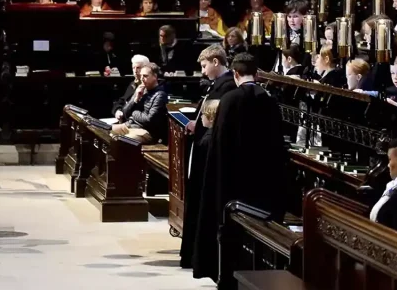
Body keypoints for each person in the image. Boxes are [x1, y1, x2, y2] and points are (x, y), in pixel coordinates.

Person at [193, 52, 286, 283]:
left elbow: (220, 143)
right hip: (262, 181)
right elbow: (277, 144)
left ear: (235, 73)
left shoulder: (230, 99)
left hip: (232, 178)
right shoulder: (269, 100)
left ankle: (226, 276)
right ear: (257, 74)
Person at [179, 47, 234, 269]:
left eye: (204, 66)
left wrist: (198, 125)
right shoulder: (217, 85)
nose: (203, 72)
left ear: (215, 61)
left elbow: (214, 119)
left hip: (210, 149)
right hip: (202, 145)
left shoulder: (227, 85)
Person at [112, 62, 168, 143]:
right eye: (141, 75)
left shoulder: (160, 95)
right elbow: (125, 114)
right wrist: (135, 99)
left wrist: (134, 113)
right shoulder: (140, 89)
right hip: (129, 125)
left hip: (145, 131)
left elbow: (149, 120)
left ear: (155, 76)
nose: (141, 79)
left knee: (122, 141)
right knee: (107, 132)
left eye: (145, 76)